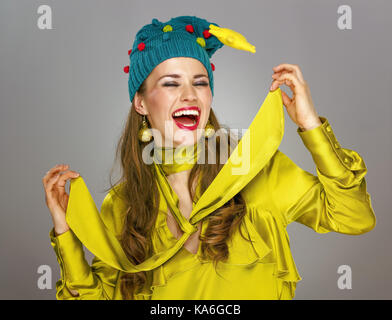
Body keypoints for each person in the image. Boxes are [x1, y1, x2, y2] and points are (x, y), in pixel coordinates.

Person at [42, 16, 376, 300]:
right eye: (171, 84)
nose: (189, 94)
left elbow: (355, 218)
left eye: (200, 83)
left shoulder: (255, 171)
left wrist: (310, 126)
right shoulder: (121, 205)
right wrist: (66, 231)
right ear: (141, 103)